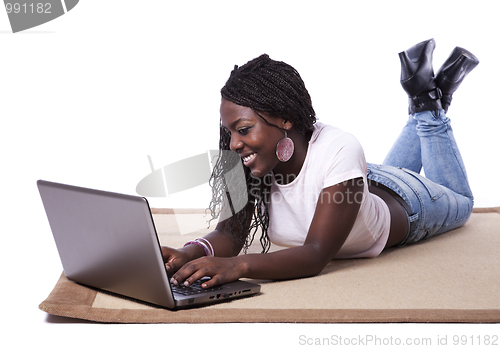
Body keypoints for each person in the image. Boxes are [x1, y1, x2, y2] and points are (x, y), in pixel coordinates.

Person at [162, 38, 479, 290]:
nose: (233, 144)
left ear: (284, 118)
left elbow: (315, 255)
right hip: (357, 184)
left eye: (243, 130)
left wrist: (240, 265)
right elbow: (230, 234)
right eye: (228, 132)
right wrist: (189, 254)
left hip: (407, 203)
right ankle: (426, 97)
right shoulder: (246, 160)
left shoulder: (340, 148)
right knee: (366, 179)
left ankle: (429, 106)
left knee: (463, 202)